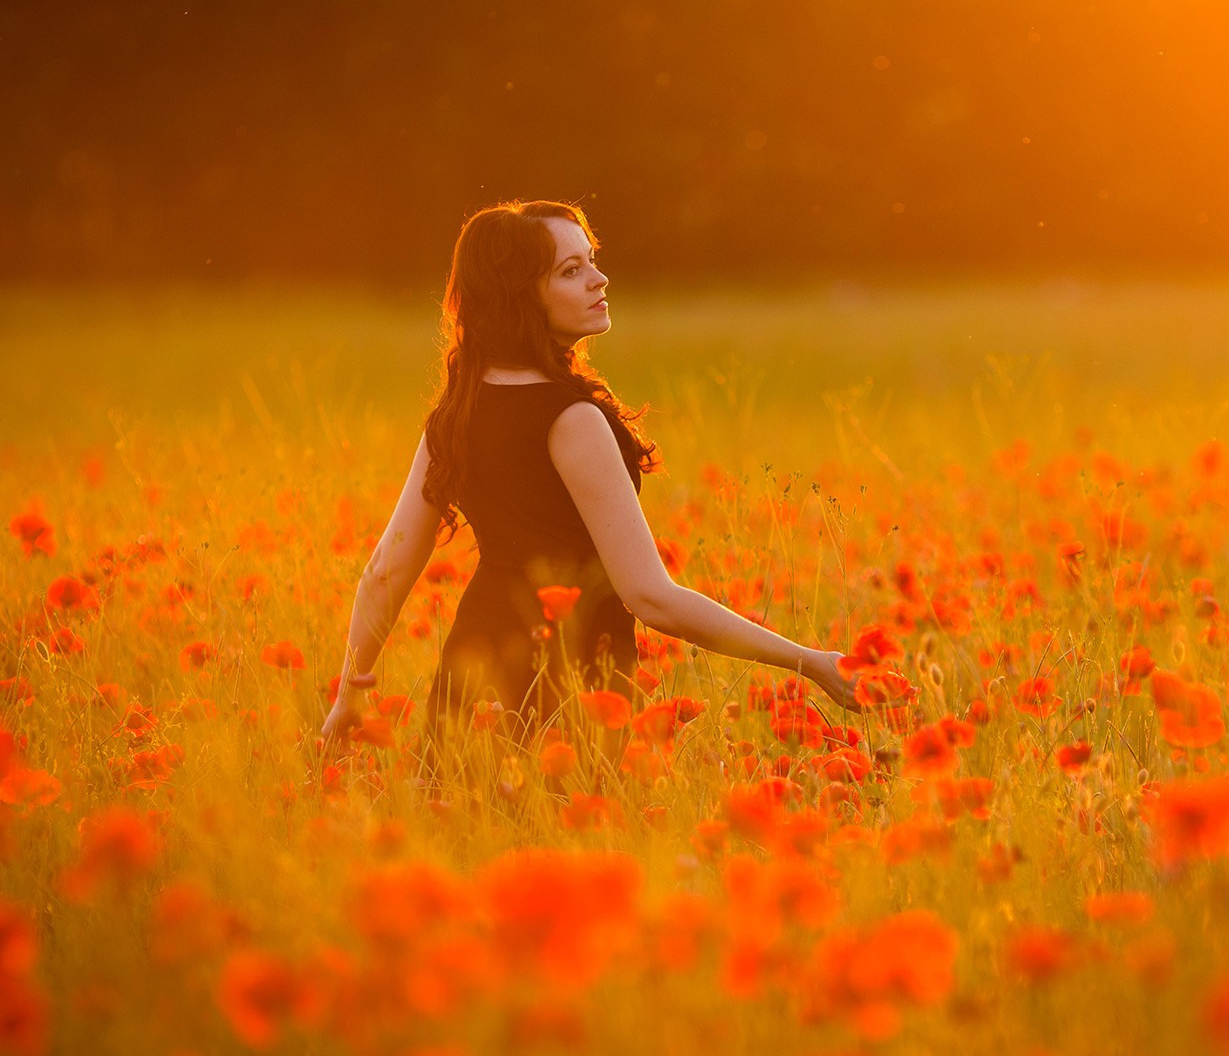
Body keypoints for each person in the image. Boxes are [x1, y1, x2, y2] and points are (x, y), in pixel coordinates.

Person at [319, 200, 859, 765]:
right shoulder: (571, 420)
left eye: (591, 260)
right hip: (566, 681)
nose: (599, 279)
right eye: (570, 271)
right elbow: (652, 597)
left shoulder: (456, 412)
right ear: (520, 295)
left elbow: (385, 570)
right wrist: (808, 660)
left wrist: (349, 697)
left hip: (472, 677)